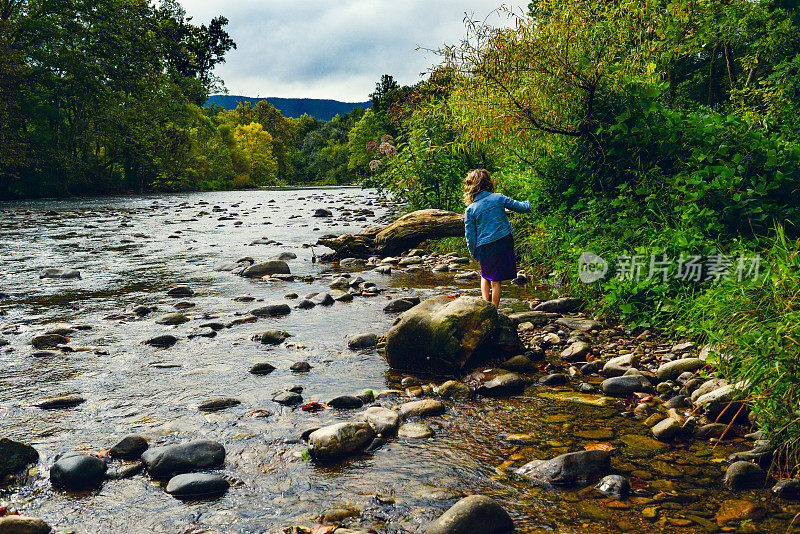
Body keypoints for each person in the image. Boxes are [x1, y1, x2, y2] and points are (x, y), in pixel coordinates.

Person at [463, 169, 531, 307]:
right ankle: (494, 309)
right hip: (504, 242)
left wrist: (473, 252)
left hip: (485, 247)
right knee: (496, 280)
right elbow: (521, 207)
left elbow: (470, 236)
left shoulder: (471, 209)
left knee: (485, 275)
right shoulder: (498, 197)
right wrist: (530, 203)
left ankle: (486, 306)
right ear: (488, 183)